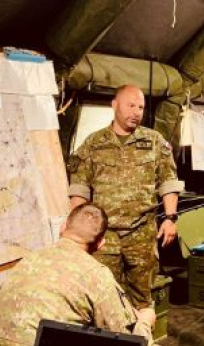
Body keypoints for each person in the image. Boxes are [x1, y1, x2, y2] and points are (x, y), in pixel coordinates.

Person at [0, 203, 168, 346]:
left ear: (63, 227)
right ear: (100, 244)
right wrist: (145, 322)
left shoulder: (27, 261)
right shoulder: (96, 274)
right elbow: (126, 344)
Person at [67, 85, 184, 310]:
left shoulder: (154, 141)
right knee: (104, 298)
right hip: (104, 235)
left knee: (142, 298)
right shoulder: (94, 143)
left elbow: (169, 181)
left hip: (142, 234)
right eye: (131, 106)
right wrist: (78, 230)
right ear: (114, 105)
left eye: (140, 107)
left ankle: (142, 332)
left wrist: (170, 218)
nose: (136, 112)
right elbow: (79, 187)